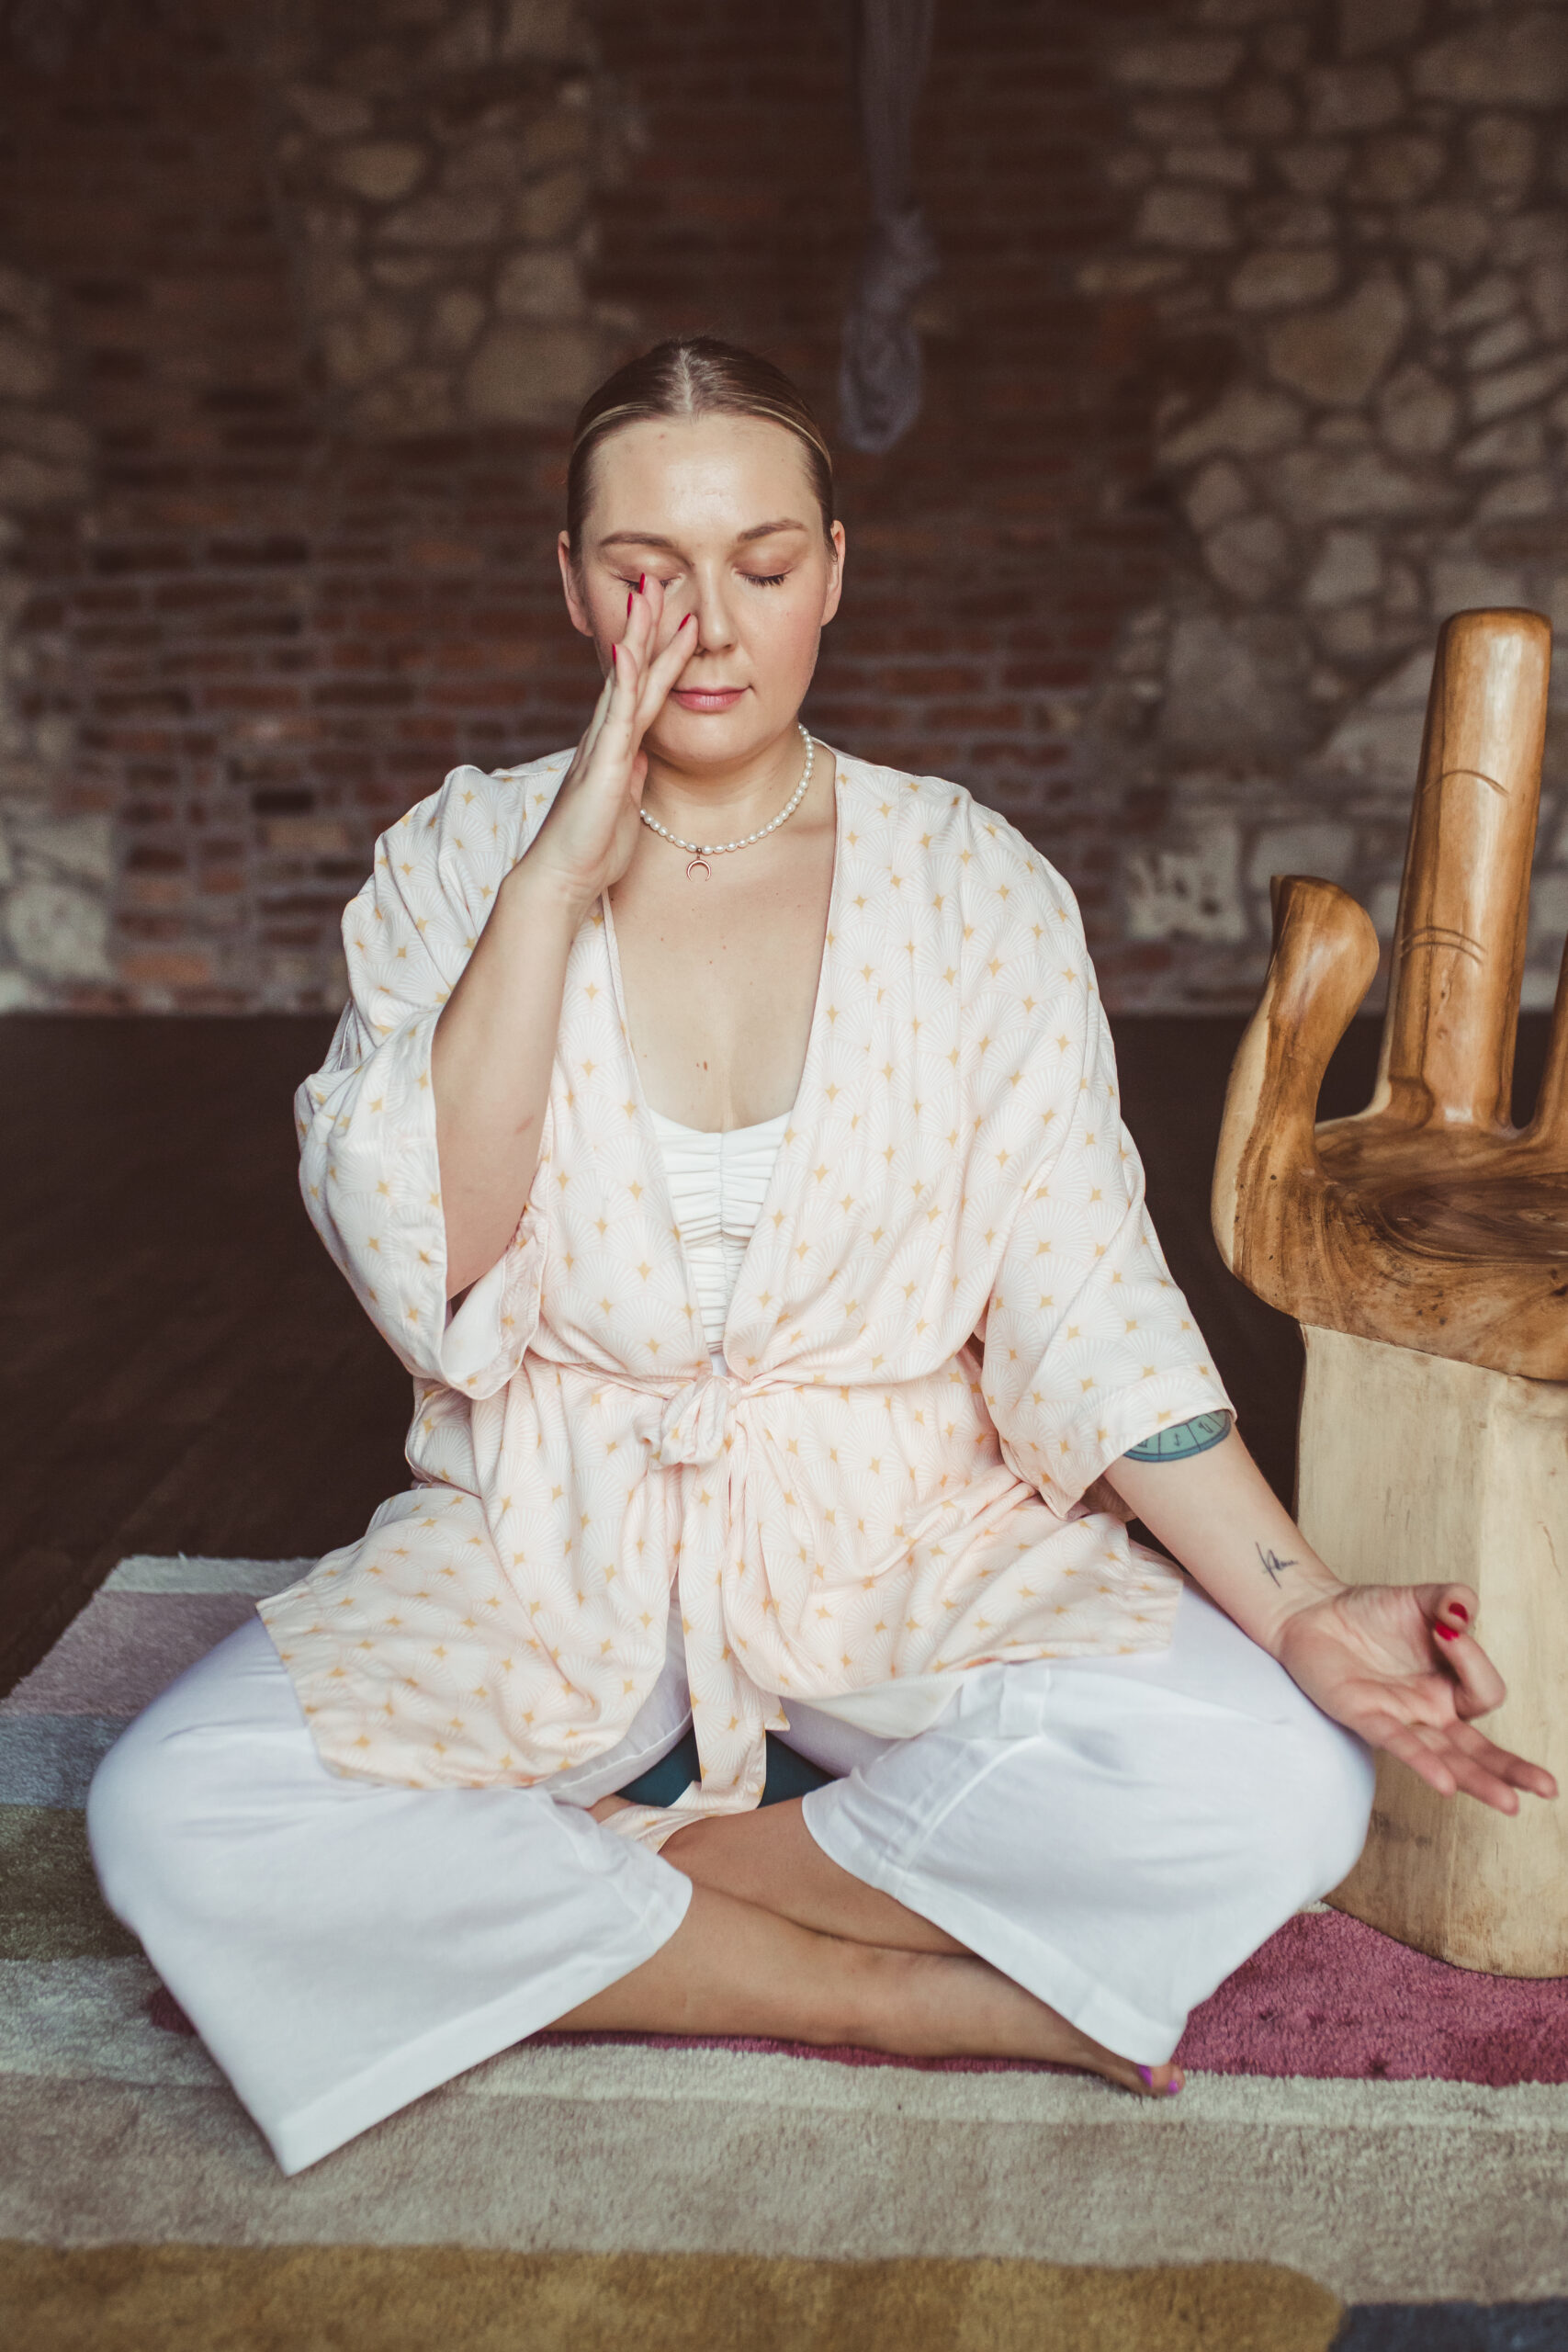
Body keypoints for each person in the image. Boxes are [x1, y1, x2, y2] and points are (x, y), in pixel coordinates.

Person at [87, 338, 1555, 2177]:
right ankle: (865, 1987)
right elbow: (427, 1257)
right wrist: (554, 879)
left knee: (1283, 1775)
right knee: (172, 1813)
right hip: (546, 1533)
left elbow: (1092, 1317)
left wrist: (1301, 1604)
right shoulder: (459, 863)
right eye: (645, 571)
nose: (704, 627)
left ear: (836, 571)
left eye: (762, 564)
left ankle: (671, 1871)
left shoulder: (971, 886)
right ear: (570, 583)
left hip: (900, 1529)